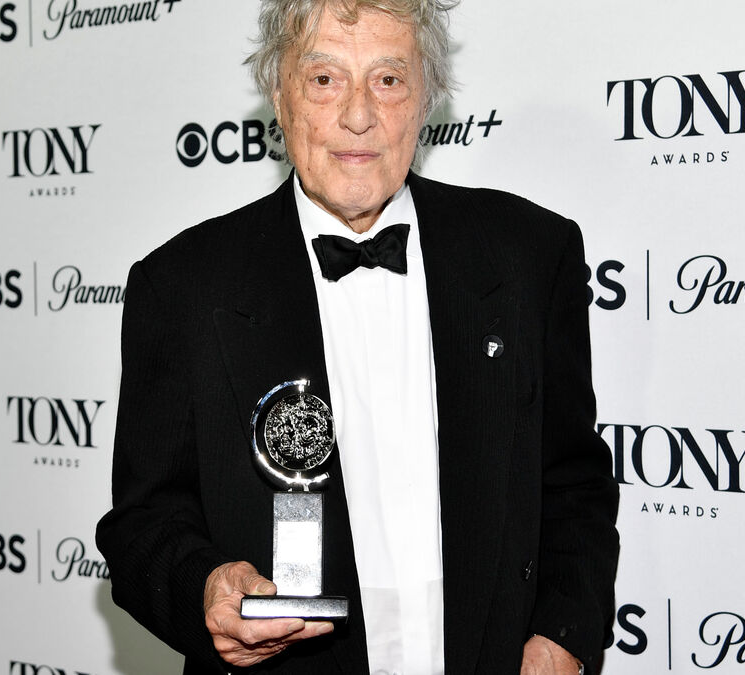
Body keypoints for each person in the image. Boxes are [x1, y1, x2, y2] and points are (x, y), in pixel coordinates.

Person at [95, 1, 619, 673]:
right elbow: (143, 525)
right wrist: (205, 586)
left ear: (426, 96)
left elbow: (574, 481)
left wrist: (562, 638)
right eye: (324, 79)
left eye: (388, 79)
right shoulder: (183, 285)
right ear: (278, 95)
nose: (359, 115)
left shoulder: (530, 255)